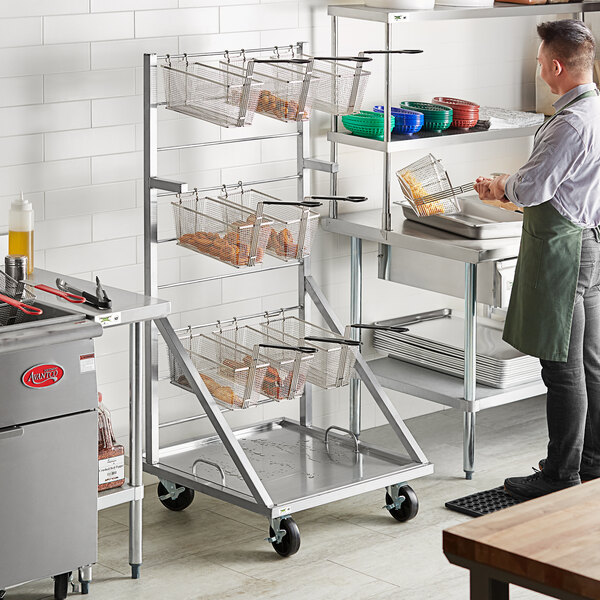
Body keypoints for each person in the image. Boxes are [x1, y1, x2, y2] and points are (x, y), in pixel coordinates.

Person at [474, 19, 600, 501]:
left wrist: (501, 185)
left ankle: (560, 473)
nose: (539, 70)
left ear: (554, 66)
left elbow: (533, 188)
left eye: (539, 62)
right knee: (589, 364)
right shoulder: (594, 111)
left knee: (562, 367)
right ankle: (592, 461)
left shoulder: (568, 123)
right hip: (590, 241)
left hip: (563, 252)